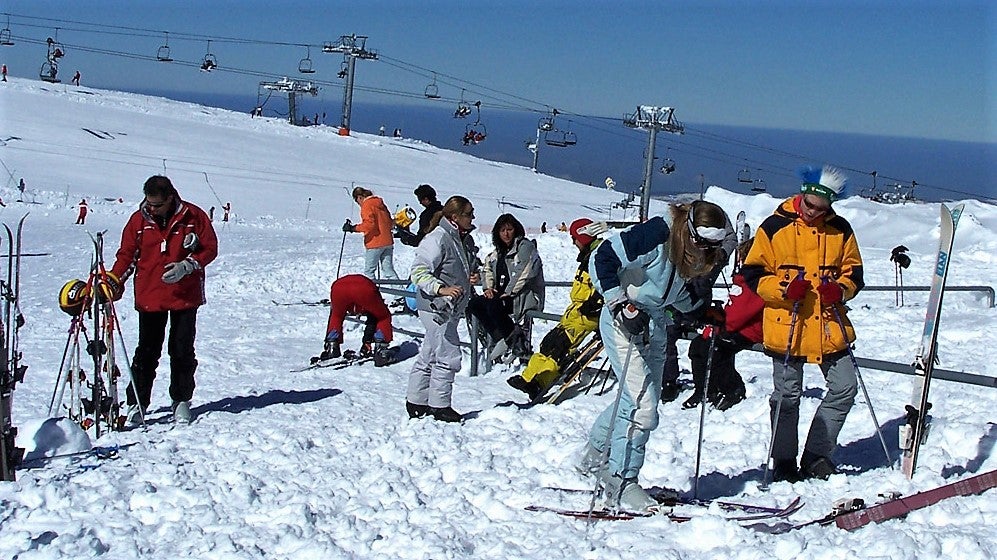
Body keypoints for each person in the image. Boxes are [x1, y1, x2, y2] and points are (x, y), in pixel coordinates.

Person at [578, 201, 731, 511]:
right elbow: (602, 258)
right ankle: (621, 481)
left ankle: (595, 455)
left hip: (655, 322)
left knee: (638, 398)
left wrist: (701, 311)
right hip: (624, 320)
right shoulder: (657, 233)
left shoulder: (693, 248)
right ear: (689, 229)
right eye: (702, 243)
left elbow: (672, 291)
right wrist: (619, 302)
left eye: (712, 246)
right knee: (641, 403)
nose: (705, 251)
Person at [741, 165, 863, 482]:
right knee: (787, 397)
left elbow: (855, 274)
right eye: (810, 205)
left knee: (845, 388)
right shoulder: (773, 227)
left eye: (822, 209)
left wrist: (841, 290)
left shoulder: (841, 230)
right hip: (787, 323)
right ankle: (783, 461)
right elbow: (752, 274)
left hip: (828, 326)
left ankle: (816, 456)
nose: (813, 213)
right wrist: (783, 289)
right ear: (803, 194)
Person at [111, 175, 218, 425]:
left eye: (157, 204)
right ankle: (138, 402)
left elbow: (210, 248)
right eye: (149, 203)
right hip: (151, 295)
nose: (152, 208)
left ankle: (181, 399)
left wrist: (190, 264)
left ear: (170, 198)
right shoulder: (139, 221)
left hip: (184, 295)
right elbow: (127, 255)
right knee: (147, 351)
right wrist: (115, 280)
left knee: (181, 350)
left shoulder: (193, 216)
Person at [508, 218, 606, 401]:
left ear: (583, 238)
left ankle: (540, 382)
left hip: (587, 315)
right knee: (549, 341)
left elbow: (606, 287)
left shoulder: (600, 258)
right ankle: (528, 377)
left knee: (559, 348)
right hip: (575, 313)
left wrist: (596, 303)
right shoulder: (589, 258)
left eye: (575, 238)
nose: (573, 243)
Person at [407, 196, 480, 423]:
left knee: (429, 353)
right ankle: (440, 406)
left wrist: (469, 277)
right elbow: (418, 272)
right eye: (469, 214)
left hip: (449, 308)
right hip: (436, 307)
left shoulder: (459, 239)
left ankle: (416, 401)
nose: (473, 218)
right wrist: (441, 289)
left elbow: (454, 265)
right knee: (448, 355)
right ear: (455, 217)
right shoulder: (437, 238)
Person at [660, 212, 736, 403]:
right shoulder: (687, 218)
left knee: (701, 341)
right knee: (667, 334)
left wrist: (719, 257)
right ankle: (668, 381)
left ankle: (705, 386)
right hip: (680, 280)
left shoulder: (716, 216)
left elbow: (730, 238)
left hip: (701, 281)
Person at [682, 235, 762, 411]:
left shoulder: (756, 280)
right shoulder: (744, 278)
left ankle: (733, 389)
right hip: (735, 324)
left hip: (750, 329)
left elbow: (742, 312)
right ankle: (705, 389)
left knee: (717, 349)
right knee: (698, 345)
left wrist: (721, 328)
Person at [467, 213, 544, 363]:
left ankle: (515, 340)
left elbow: (525, 270)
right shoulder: (499, 251)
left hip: (522, 297)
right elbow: (487, 267)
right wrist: (488, 288)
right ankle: (503, 338)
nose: (506, 234)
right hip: (504, 295)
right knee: (474, 304)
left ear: (516, 229)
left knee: (494, 307)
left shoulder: (525, 247)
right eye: (502, 231)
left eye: (509, 229)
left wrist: (509, 292)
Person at [319, 274, 394, 367]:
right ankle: (381, 350)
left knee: (336, 316)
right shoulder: (371, 293)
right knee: (383, 316)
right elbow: (373, 319)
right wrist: (367, 342)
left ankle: (332, 346)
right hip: (364, 287)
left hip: (338, 287)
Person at [344, 186, 398, 280]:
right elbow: (390, 222)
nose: (359, 204)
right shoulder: (381, 204)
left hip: (374, 243)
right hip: (387, 241)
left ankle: (371, 293)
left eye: (357, 201)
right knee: (389, 271)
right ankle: (399, 293)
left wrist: (353, 228)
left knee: (369, 272)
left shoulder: (367, 205)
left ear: (360, 197)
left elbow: (369, 225)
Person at [397, 183, 443, 247]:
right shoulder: (444, 210)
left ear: (426, 199)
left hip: (432, 249)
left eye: (420, 200)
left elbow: (420, 240)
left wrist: (406, 237)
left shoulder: (427, 215)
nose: (420, 203)